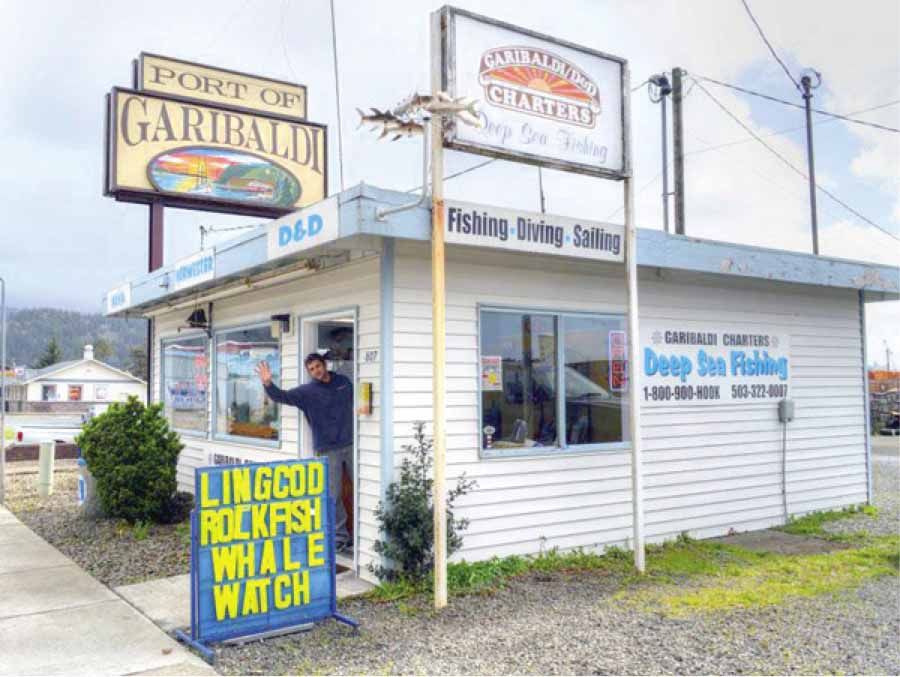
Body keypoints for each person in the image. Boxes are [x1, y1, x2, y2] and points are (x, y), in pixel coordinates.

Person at [255, 353, 354, 552]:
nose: (316, 371)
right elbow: (281, 396)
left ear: (324, 364)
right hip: (327, 448)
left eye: (318, 366)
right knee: (333, 495)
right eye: (312, 369)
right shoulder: (307, 392)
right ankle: (341, 536)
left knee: (361, 488)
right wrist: (268, 383)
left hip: (352, 444)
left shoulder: (343, 382)